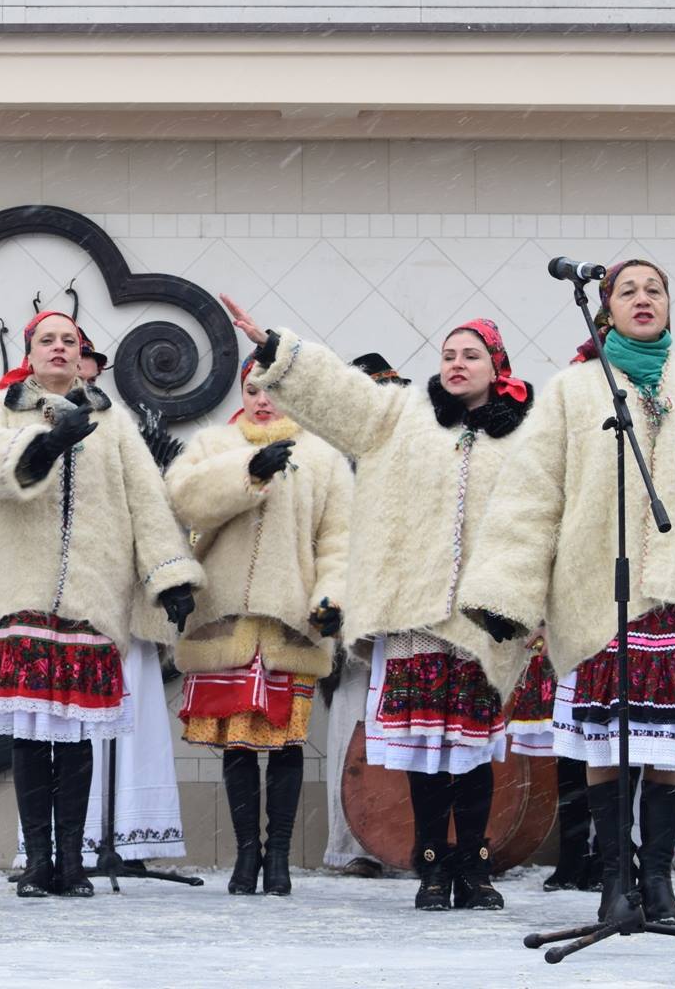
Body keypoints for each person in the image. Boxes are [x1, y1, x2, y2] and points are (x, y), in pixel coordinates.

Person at [460, 258, 675, 925]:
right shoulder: (573, 391)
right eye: (628, 290)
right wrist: (506, 592)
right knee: (608, 746)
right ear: (607, 309)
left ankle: (658, 881)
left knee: (672, 746)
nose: (643, 298)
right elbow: (531, 497)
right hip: (598, 599)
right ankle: (614, 880)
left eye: (655, 289)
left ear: (669, 306)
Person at [230, 299, 535, 911]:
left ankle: (473, 868)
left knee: (472, 752)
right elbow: (344, 395)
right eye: (448, 354)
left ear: (496, 366)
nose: (456, 364)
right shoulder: (405, 415)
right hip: (416, 613)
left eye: (470, 355)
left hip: (485, 616)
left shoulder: (528, 437)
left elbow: (541, 522)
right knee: (426, 752)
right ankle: (429, 866)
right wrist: (276, 350)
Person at [0, 309, 202, 898]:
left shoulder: (111, 421)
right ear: (30, 350)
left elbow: (146, 499)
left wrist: (170, 577)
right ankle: (38, 860)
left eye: (70, 340)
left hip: (93, 595)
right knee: (32, 738)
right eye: (48, 339)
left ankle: (74, 859)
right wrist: (42, 448)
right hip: (22, 592)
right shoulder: (3, 410)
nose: (60, 348)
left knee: (76, 738)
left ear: (81, 351)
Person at [166, 356, 353, 895]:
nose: (263, 399)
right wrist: (247, 472)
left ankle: (279, 857)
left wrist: (330, 600)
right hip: (223, 621)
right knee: (239, 745)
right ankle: (247, 853)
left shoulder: (323, 458)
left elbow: (338, 542)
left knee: (289, 743)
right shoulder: (210, 447)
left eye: (273, 388)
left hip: (292, 623)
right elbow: (183, 502)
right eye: (252, 388)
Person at [321, 352, 410, 878]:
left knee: (406, 737)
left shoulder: (412, 461)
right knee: (351, 734)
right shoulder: (334, 464)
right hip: (352, 629)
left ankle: (406, 841)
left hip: (404, 622)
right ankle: (352, 844)